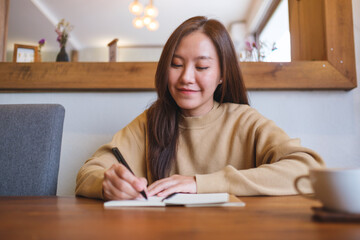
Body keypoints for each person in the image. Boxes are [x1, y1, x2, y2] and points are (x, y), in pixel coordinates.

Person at [75, 16, 324, 200]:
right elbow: (89, 172)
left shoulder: (245, 121)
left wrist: (200, 183)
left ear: (222, 75)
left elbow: (309, 168)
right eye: (176, 64)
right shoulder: (151, 122)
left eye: (202, 67)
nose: (186, 77)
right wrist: (107, 184)